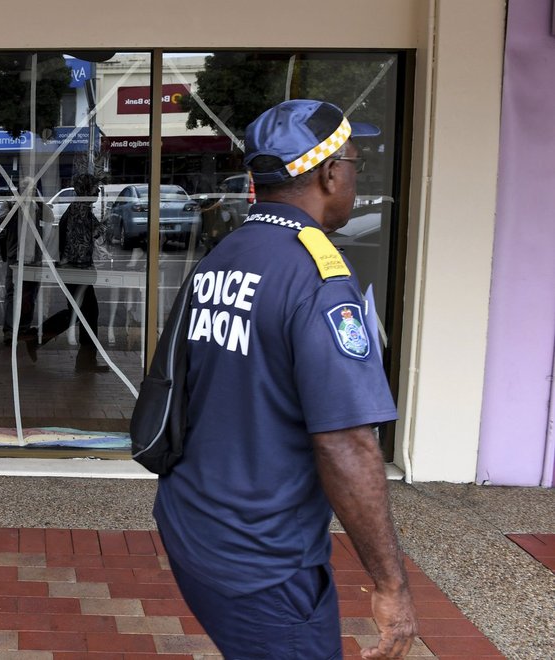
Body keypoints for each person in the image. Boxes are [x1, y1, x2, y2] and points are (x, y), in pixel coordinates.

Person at [153, 99, 418, 659]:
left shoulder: (227, 253)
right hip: (263, 559)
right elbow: (347, 442)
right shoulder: (319, 278)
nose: (354, 174)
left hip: (192, 523)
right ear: (328, 173)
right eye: (353, 161)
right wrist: (392, 586)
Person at [39, 173, 108, 372]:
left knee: (82, 313)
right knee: (86, 312)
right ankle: (38, 338)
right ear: (87, 190)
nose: (98, 191)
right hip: (76, 270)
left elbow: (94, 232)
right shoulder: (80, 210)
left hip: (75, 271)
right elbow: (84, 241)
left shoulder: (81, 208)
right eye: (96, 187)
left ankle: (38, 339)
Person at [0, 177, 42, 357]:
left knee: (30, 293)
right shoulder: (9, 204)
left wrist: (38, 201)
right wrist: (18, 206)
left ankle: (24, 327)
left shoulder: (37, 205)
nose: (27, 192)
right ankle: (9, 330)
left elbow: (49, 217)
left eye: (30, 189)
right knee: (12, 292)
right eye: (25, 188)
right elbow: (2, 223)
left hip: (33, 257)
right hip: (15, 256)